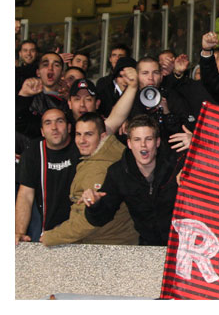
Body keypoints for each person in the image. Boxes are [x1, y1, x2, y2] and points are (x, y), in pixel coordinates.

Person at [82, 115, 187, 246]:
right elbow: (100, 219)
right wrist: (94, 204)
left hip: (185, 243)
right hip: (149, 246)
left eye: (148, 139)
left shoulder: (177, 162)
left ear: (157, 142)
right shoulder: (119, 172)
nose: (143, 145)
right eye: (137, 140)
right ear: (129, 144)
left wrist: (197, 148)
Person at [40, 112, 139, 246]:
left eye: (88, 134)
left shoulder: (99, 168)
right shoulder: (103, 158)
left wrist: (51, 237)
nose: (82, 140)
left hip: (105, 246)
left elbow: (87, 222)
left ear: (102, 136)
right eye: (78, 134)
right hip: (113, 243)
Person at [15, 108, 78, 244]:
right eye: (48, 123)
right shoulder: (33, 152)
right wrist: (19, 233)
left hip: (81, 230)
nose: (54, 127)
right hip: (47, 231)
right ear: (42, 131)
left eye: (59, 121)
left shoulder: (81, 146)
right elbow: (25, 195)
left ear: (69, 127)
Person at [16, 51, 68, 139]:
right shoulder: (27, 96)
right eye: (45, 65)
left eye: (56, 65)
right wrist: (23, 96)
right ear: (38, 72)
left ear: (62, 73)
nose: (50, 68)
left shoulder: (68, 101)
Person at [96, 53, 137, 118]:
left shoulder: (141, 94)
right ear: (115, 78)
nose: (125, 80)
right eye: (121, 76)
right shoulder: (104, 90)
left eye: (129, 77)